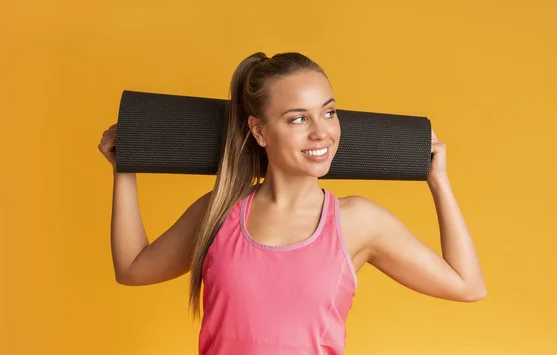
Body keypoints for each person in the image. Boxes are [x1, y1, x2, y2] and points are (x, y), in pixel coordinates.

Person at [98, 51, 486, 355]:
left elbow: (467, 285)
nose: (322, 132)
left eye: (329, 112)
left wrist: (439, 181)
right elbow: (133, 268)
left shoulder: (358, 222)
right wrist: (126, 168)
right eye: (298, 119)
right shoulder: (218, 213)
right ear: (260, 131)